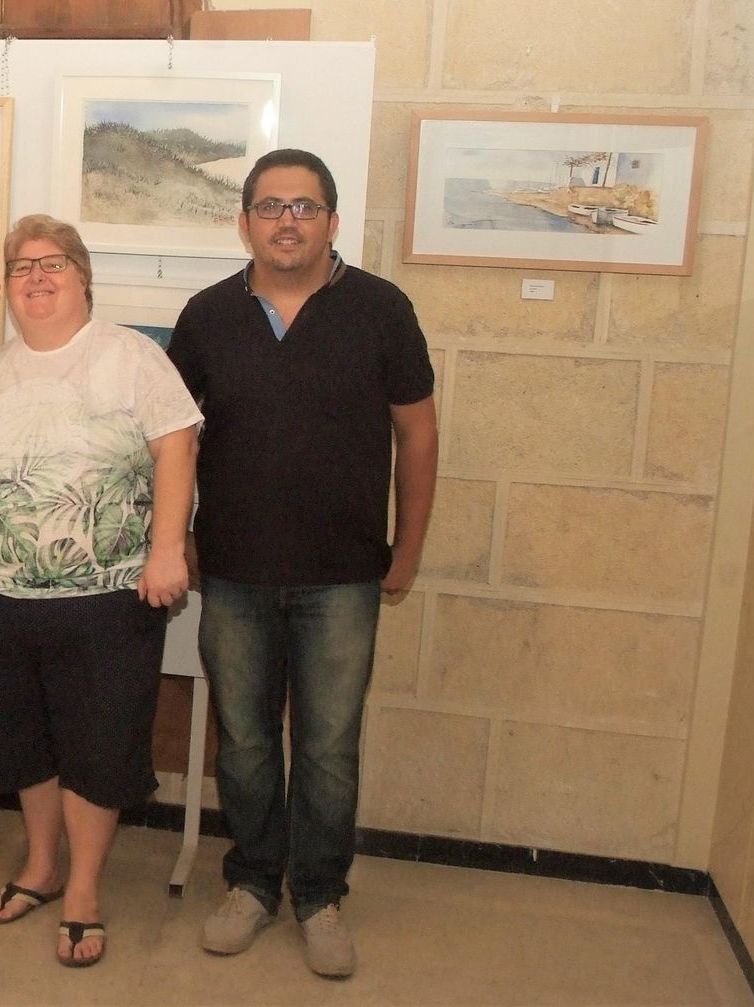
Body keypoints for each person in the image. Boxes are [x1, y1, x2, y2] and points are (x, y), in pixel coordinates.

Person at [165, 148, 438, 978]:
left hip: (345, 573)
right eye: (272, 205)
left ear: (332, 220)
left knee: (327, 744)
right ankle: (251, 881)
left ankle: (319, 893)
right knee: (244, 740)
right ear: (244, 219)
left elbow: (417, 434)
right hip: (236, 572)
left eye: (306, 206)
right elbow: (172, 440)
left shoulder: (382, 309)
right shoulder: (208, 314)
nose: (288, 220)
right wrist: (173, 539)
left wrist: (410, 549)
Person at [0, 215, 201, 967]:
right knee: (21, 740)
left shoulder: (130, 356)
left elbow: (177, 445)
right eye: (20, 266)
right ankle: (40, 864)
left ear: (83, 274)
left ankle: (85, 889)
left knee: (98, 744)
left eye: (52, 263)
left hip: (107, 596)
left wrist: (166, 548)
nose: (35, 277)